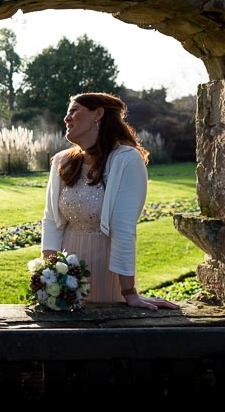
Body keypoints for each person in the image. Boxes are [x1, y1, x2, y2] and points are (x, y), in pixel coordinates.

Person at [40, 92, 178, 310]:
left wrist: (129, 293)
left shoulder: (127, 160)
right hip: (66, 271)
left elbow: (123, 228)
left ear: (98, 114)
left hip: (105, 267)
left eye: (74, 111)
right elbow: (50, 220)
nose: (67, 119)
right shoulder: (61, 161)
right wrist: (50, 276)